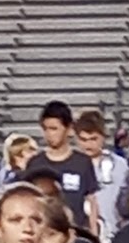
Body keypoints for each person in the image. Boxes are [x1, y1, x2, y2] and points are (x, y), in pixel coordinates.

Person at [28, 101, 99, 236]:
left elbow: (91, 200)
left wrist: (94, 233)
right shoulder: (35, 163)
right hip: (43, 234)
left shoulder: (82, 162)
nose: (49, 135)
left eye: (54, 129)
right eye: (46, 129)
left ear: (69, 129)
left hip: (76, 233)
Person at [75, 108, 128, 243]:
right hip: (79, 234)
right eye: (83, 139)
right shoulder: (70, 165)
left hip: (113, 233)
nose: (88, 144)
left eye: (93, 139)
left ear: (103, 137)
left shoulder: (119, 165)